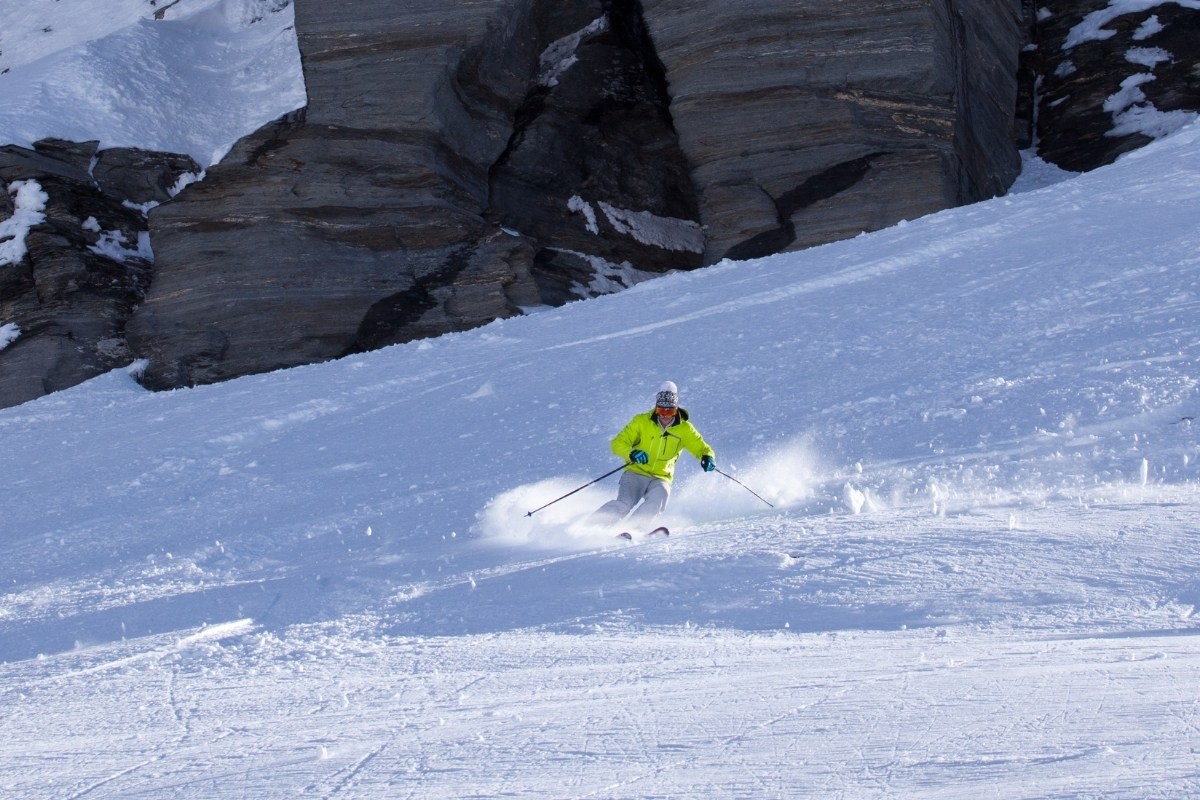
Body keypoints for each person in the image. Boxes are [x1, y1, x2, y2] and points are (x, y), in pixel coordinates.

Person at [592, 381, 716, 530]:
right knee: (624, 504)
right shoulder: (641, 422)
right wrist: (632, 453)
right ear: (656, 408)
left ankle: (631, 530)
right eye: (660, 410)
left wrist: (707, 457)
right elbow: (617, 443)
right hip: (635, 473)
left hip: (661, 477)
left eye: (669, 411)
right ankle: (592, 526)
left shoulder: (685, 429)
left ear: (676, 410)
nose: (664, 415)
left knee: (657, 501)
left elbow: (701, 447)